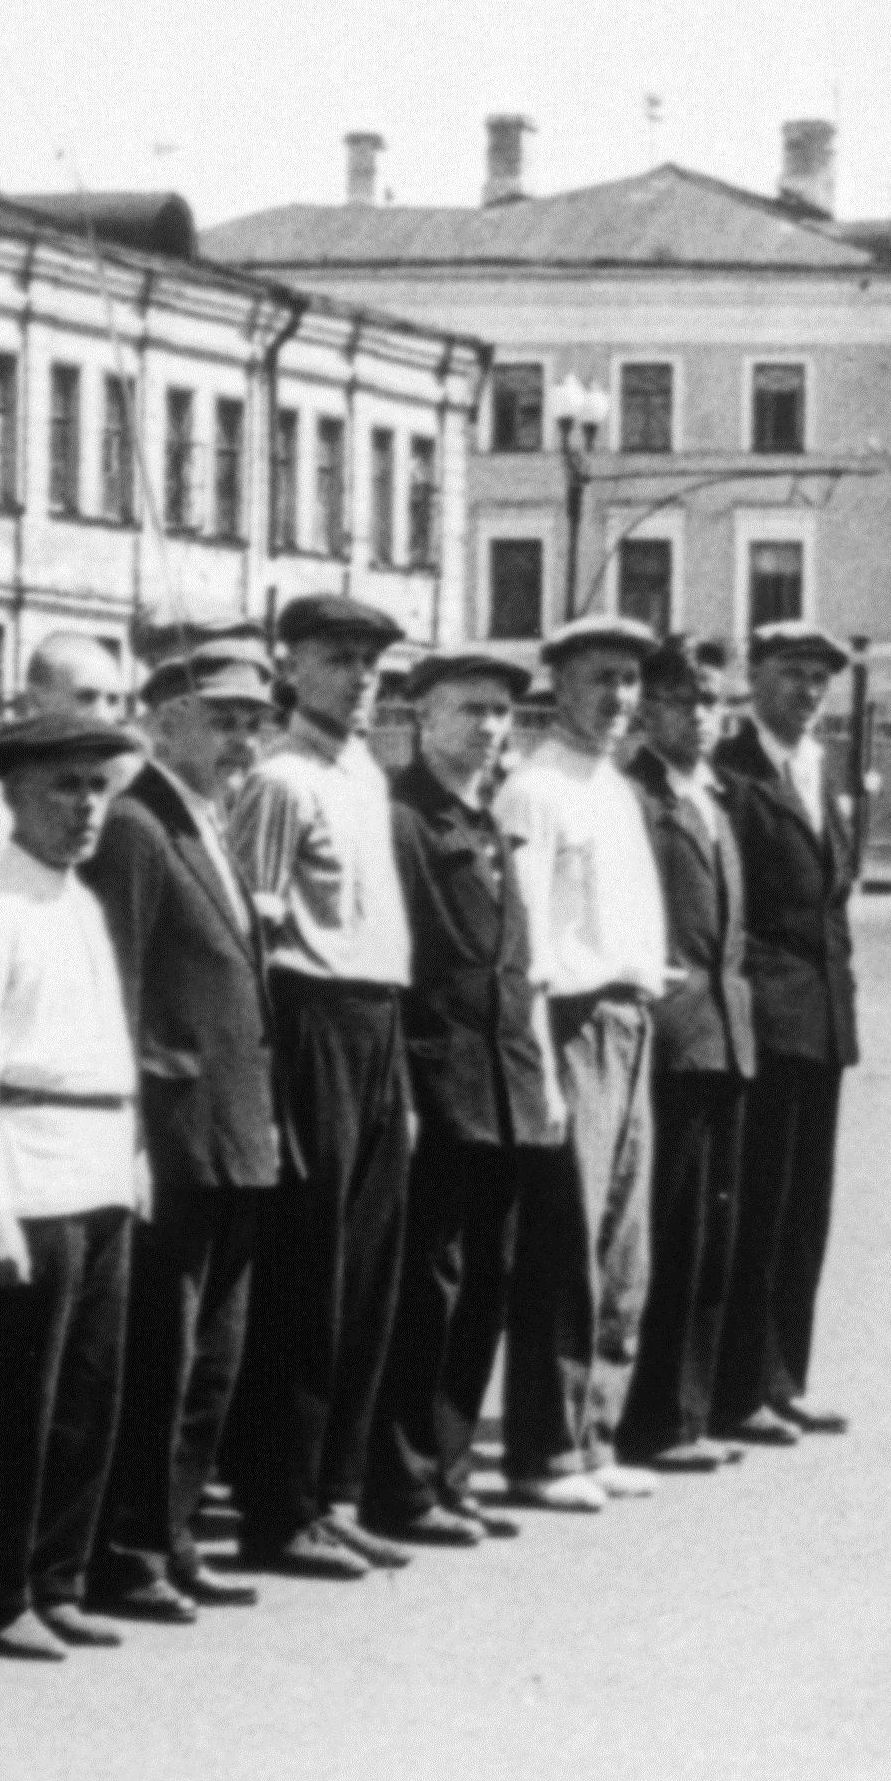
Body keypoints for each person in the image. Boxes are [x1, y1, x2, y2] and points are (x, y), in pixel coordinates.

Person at [81, 636, 281, 1614]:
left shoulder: (212, 819)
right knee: (166, 1346)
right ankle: (129, 1547)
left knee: (215, 1351)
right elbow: (116, 980)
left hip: (237, 1125)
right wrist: (131, 1123)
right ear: (166, 721)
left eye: (253, 720)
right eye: (222, 718)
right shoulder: (134, 824)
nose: (242, 737)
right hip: (176, 1125)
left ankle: (177, 1529)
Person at [221, 593, 417, 1576]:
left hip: (376, 1019)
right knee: (311, 1269)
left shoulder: (364, 771)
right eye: (339, 659)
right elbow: (254, 938)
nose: (360, 677)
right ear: (290, 667)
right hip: (309, 1023)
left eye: (372, 662)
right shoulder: (281, 780)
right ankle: (280, 1502)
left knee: (368, 1274)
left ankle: (334, 1489)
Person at [0, 709, 148, 1660]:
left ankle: (58, 1576)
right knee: (21, 1405)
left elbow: (109, 1045)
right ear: (13, 795)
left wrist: (133, 1162)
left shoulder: (82, 902)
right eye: (64, 787)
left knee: (89, 1396)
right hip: (34, 1175)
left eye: (98, 788)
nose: (85, 808)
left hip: (102, 1167)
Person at [363, 648, 555, 1552]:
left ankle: (447, 1471)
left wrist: (537, 1077)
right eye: (469, 710)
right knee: (428, 1286)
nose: (487, 728)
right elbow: (397, 968)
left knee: (488, 1281)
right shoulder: (400, 819)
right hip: (440, 1082)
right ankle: (402, 1485)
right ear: (421, 715)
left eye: (500, 713)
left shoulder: (486, 817)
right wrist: (400, 1086)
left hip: (504, 1082)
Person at [495, 614, 672, 1516]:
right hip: (570, 1022)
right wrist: (541, 1069)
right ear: (556, 684)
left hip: (630, 1019)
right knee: (565, 1246)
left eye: (632, 681)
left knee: (621, 1243)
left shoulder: (615, 788)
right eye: (600, 678)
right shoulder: (536, 790)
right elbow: (523, 939)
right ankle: (545, 1448)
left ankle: (596, 1434)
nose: (619, 698)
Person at [711, 622, 859, 1449]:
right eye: (793, 675)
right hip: (765, 1021)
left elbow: (834, 899)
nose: (808, 692)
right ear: (754, 677)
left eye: (819, 679)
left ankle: (785, 1379)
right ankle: (741, 1389)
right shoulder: (732, 774)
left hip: (825, 1021)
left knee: (807, 1210)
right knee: (758, 1208)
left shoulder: (819, 768)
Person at [613, 640, 754, 1477]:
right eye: (681, 699)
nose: (699, 715)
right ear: (649, 709)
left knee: (712, 1233)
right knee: (666, 1231)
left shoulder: (712, 797)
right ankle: (651, 1418)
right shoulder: (635, 797)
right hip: (671, 1038)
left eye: (709, 701)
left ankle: (690, 1410)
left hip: (725, 1036)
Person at [0, 634, 131, 891]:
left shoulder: (102, 790)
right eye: (86, 697)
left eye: (113, 700)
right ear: (34, 702)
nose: (103, 715)